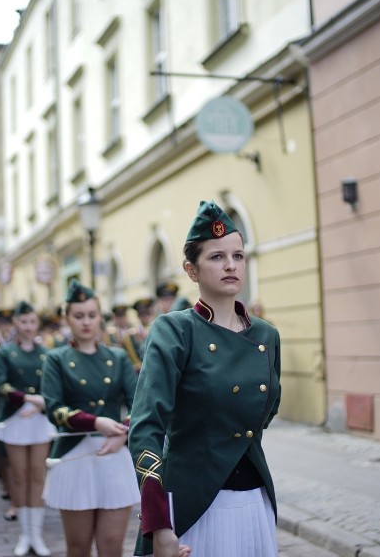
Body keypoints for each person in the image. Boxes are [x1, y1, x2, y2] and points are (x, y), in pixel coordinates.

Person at [129, 200, 282, 557]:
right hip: (194, 505)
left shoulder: (266, 335)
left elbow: (266, 411)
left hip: (254, 497)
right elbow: (145, 427)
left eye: (238, 255)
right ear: (191, 270)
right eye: (216, 257)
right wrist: (159, 522)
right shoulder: (175, 330)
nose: (231, 265)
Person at [41, 280, 139, 557]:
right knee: (79, 547)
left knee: (111, 546)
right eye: (78, 316)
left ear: (100, 318)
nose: (86, 322)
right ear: (66, 319)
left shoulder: (118, 358)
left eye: (92, 315)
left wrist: (124, 433)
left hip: (114, 453)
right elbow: (54, 409)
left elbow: (138, 404)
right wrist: (95, 422)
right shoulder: (56, 359)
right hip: (75, 456)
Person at [0, 301, 55, 557]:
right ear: (15, 323)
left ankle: (37, 535)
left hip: (39, 417)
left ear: (36, 323)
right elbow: (1, 385)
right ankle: (24, 533)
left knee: (38, 474)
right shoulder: (6, 352)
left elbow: (53, 385)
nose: (27, 327)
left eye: (31, 322)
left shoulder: (46, 352)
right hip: (16, 416)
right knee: (18, 474)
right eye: (23, 322)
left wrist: (42, 403)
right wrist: (29, 399)